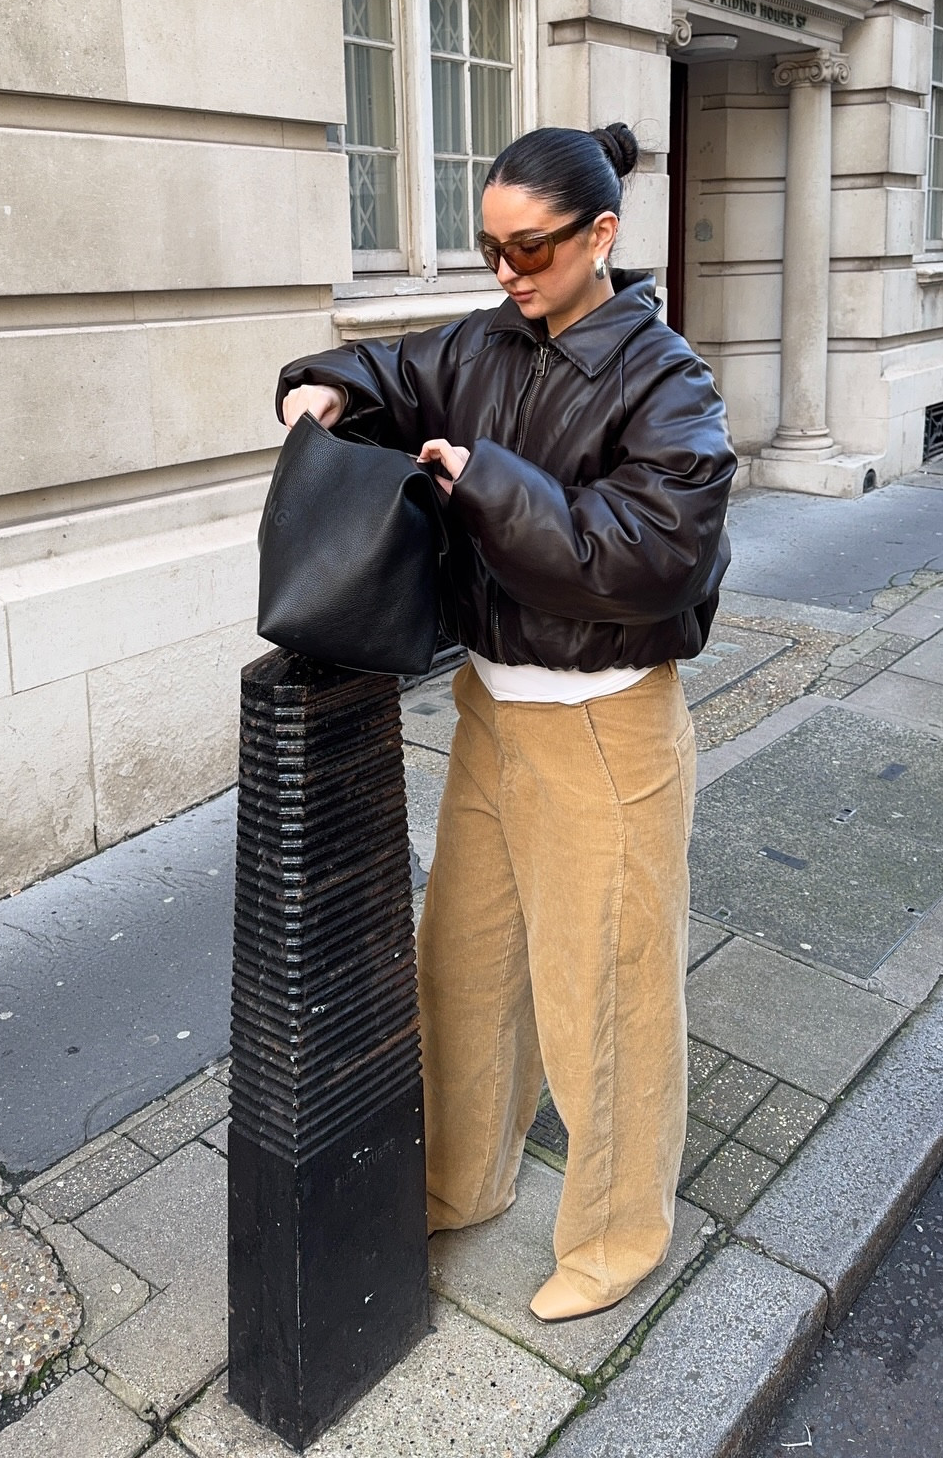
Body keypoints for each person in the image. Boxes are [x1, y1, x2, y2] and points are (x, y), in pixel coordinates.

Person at [276, 122, 736, 1322]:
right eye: (489, 248)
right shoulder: (488, 340)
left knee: (607, 1000)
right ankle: (459, 1178)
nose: (506, 272)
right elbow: (396, 369)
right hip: (492, 711)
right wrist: (329, 383)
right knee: (467, 969)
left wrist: (485, 484)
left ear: (601, 235)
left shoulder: (670, 383)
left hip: (606, 730)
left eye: (529, 248)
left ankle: (619, 1236)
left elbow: (651, 561)